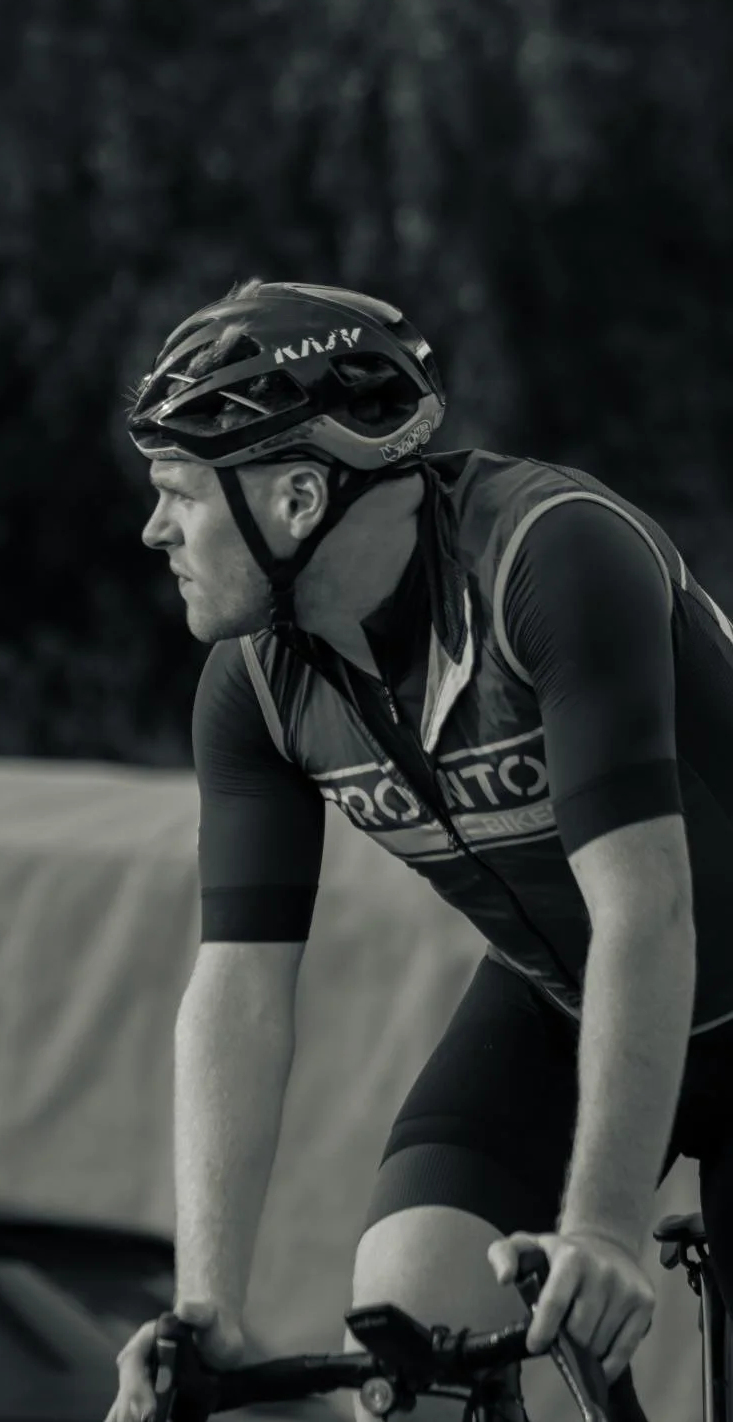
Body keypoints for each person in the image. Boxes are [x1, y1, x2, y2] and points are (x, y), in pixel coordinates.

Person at [106, 279, 733, 1422]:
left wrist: (599, 1227)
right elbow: (238, 986)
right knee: (406, 1332)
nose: (155, 531)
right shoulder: (253, 686)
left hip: (663, 949)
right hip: (562, 999)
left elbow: (646, 909)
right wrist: (208, 1307)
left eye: (178, 494)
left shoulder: (549, 555)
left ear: (295, 495)